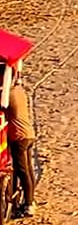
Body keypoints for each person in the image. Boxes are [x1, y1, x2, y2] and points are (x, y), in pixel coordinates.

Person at [5, 66, 37, 216]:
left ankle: (29, 204)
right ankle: (29, 200)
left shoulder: (8, 95)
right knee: (28, 169)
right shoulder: (19, 90)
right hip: (28, 133)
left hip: (18, 136)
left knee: (22, 170)